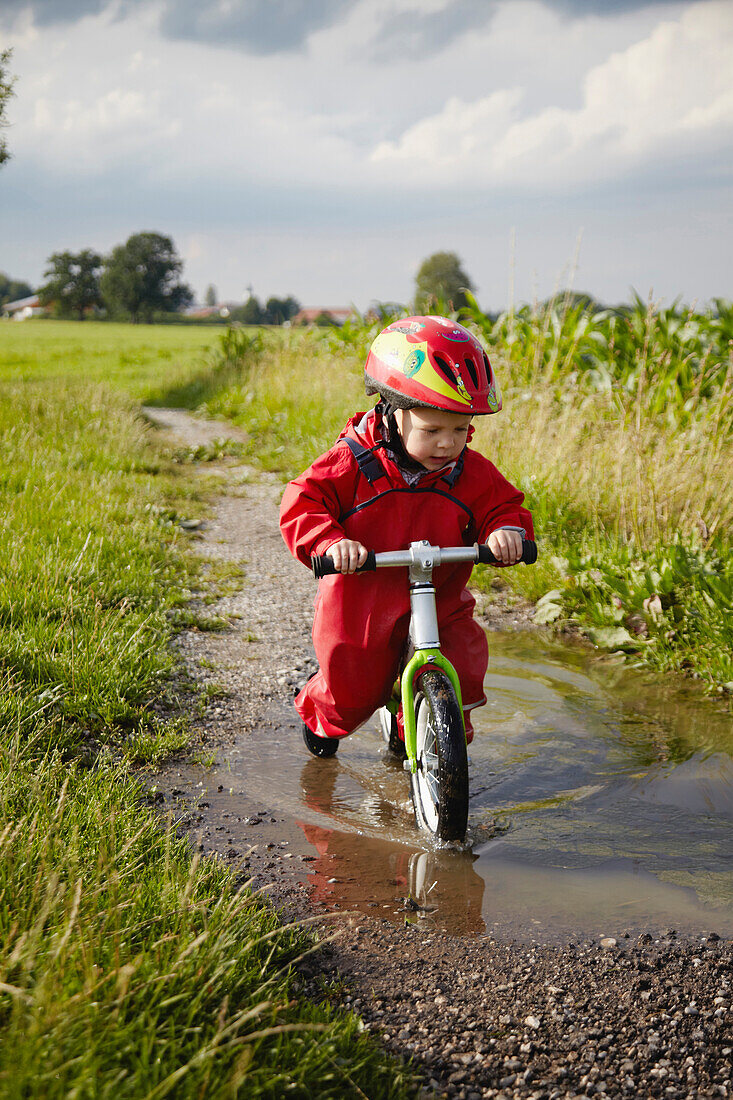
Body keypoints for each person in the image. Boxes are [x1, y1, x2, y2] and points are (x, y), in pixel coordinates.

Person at [279, 315, 534, 757]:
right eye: (432, 430)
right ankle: (323, 715)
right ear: (393, 413)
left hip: (440, 597)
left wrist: (506, 531)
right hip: (364, 599)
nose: (447, 444)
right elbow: (303, 502)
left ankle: (426, 728)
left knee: (464, 663)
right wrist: (329, 542)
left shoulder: (469, 473)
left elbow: (502, 505)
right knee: (352, 686)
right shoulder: (352, 464)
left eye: (460, 429)